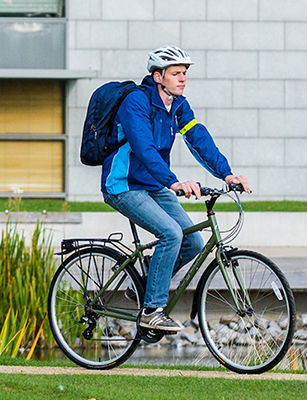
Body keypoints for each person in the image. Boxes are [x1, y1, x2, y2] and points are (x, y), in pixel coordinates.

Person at [100, 45, 251, 333]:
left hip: (153, 185)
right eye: (175, 73)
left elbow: (198, 138)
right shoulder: (136, 103)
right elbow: (144, 149)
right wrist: (174, 182)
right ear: (158, 76)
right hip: (122, 185)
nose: (182, 79)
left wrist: (227, 173)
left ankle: (147, 279)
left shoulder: (178, 105)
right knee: (170, 233)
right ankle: (152, 310)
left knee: (192, 242)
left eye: (184, 73)